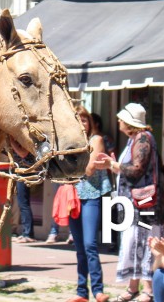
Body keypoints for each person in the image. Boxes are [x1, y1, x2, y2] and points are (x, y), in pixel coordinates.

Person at [96, 103, 164, 302]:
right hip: (133, 204)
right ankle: (133, 286)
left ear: (129, 122)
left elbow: (136, 169)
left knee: (145, 241)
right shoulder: (133, 140)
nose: (118, 121)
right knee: (133, 243)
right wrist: (113, 166)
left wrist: (113, 164)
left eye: (121, 118)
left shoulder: (143, 138)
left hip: (145, 204)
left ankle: (148, 289)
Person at [67, 108, 113, 302]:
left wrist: (71, 160)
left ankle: (98, 290)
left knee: (89, 244)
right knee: (79, 246)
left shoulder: (96, 140)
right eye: (78, 119)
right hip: (73, 197)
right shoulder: (69, 140)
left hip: (91, 195)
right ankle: (81, 292)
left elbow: (89, 169)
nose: (82, 123)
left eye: (85, 120)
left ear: (90, 123)